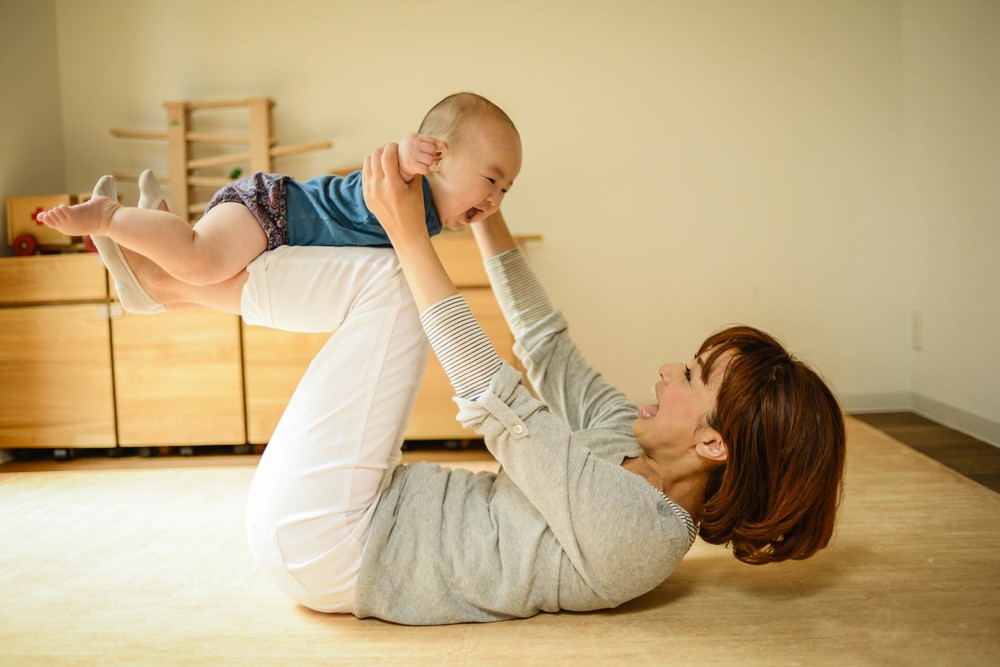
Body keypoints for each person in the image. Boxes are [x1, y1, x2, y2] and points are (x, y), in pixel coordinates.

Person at [104, 139, 846, 625]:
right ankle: (167, 283)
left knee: (396, 280)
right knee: (390, 276)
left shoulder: (639, 532)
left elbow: (500, 399)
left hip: (335, 549)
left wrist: (410, 228)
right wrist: (488, 213)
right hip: (351, 512)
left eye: (691, 375)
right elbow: (545, 343)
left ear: (713, 442)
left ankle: (172, 281)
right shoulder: (628, 435)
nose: (665, 369)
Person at [35, 92, 521, 314]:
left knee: (208, 273)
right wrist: (410, 151)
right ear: (438, 154)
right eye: (491, 180)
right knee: (202, 263)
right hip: (270, 209)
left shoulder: (432, 219)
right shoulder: (407, 178)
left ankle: (152, 231)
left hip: (276, 232)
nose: (495, 199)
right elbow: (395, 158)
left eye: (505, 189)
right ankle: (108, 216)